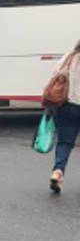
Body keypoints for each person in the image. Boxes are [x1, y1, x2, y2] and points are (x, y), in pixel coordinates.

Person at [49, 39, 80, 193]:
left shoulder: (68, 57)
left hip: (68, 106)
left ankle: (58, 171)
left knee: (65, 143)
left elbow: (54, 76)